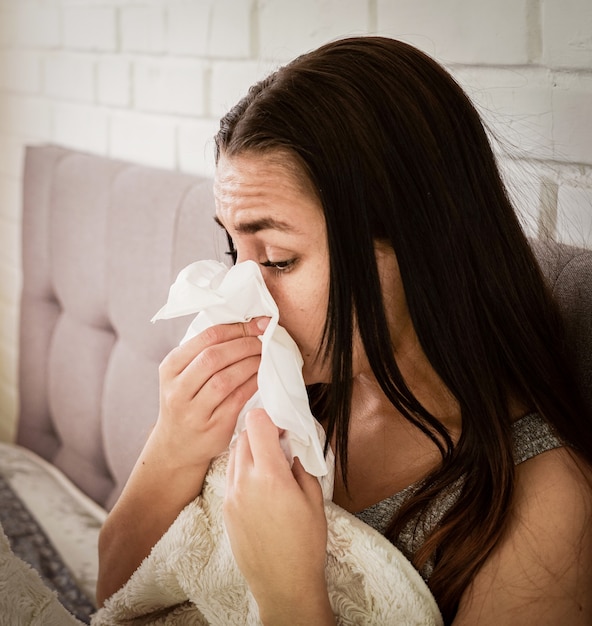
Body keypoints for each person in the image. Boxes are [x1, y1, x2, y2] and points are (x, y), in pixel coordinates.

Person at [96, 36, 592, 624]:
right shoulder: (288, 393)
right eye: (234, 252)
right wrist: (174, 444)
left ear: (416, 247)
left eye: (278, 258)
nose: (245, 295)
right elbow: (110, 594)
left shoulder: (540, 503)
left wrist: (289, 597)